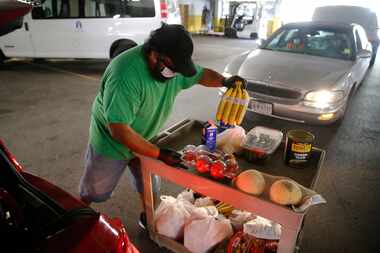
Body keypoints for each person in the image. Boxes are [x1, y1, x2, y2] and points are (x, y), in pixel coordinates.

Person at [78, 24, 246, 228]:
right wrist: (158, 154)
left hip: (146, 136)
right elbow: (119, 130)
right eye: (173, 68)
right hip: (111, 142)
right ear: (155, 55)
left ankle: (148, 217)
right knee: (95, 191)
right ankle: (75, 215)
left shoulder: (174, 65)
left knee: (148, 183)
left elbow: (202, 75)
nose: (176, 74)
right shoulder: (125, 74)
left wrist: (225, 81)